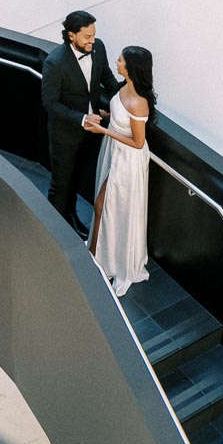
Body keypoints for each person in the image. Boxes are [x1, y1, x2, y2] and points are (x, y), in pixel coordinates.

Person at [41, 11, 120, 238]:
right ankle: (56, 233)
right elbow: (50, 103)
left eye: (93, 35)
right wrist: (82, 118)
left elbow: (106, 76)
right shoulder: (55, 62)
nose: (92, 40)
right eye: (87, 36)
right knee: (61, 184)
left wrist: (125, 98)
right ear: (71, 35)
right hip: (65, 135)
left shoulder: (98, 47)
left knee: (75, 178)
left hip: (91, 133)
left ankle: (71, 217)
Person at [87, 46, 157, 295]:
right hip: (115, 152)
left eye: (120, 60)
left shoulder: (139, 102)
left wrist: (104, 131)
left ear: (130, 68)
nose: (116, 62)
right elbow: (119, 115)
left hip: (128, 160)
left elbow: (138, 142)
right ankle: (97, 255)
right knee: (105, 206)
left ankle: (99, 259)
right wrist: (104, 116)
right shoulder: (123, 88)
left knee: (105, 205)